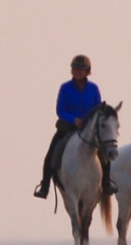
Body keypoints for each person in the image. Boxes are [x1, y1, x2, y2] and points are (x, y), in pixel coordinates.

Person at [39, 55, 101, 199]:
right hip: (67, 127)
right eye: (75, 69)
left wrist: (87, 121)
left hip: (88, 129)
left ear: (87, 72)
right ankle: (44, 186)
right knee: (51, 154)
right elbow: (60, 110)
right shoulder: (65, 88)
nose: (78, 72)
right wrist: (74, 120)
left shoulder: (93, 88)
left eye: (81, 69)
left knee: (105, 153)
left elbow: (98, 108)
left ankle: (107, 182)